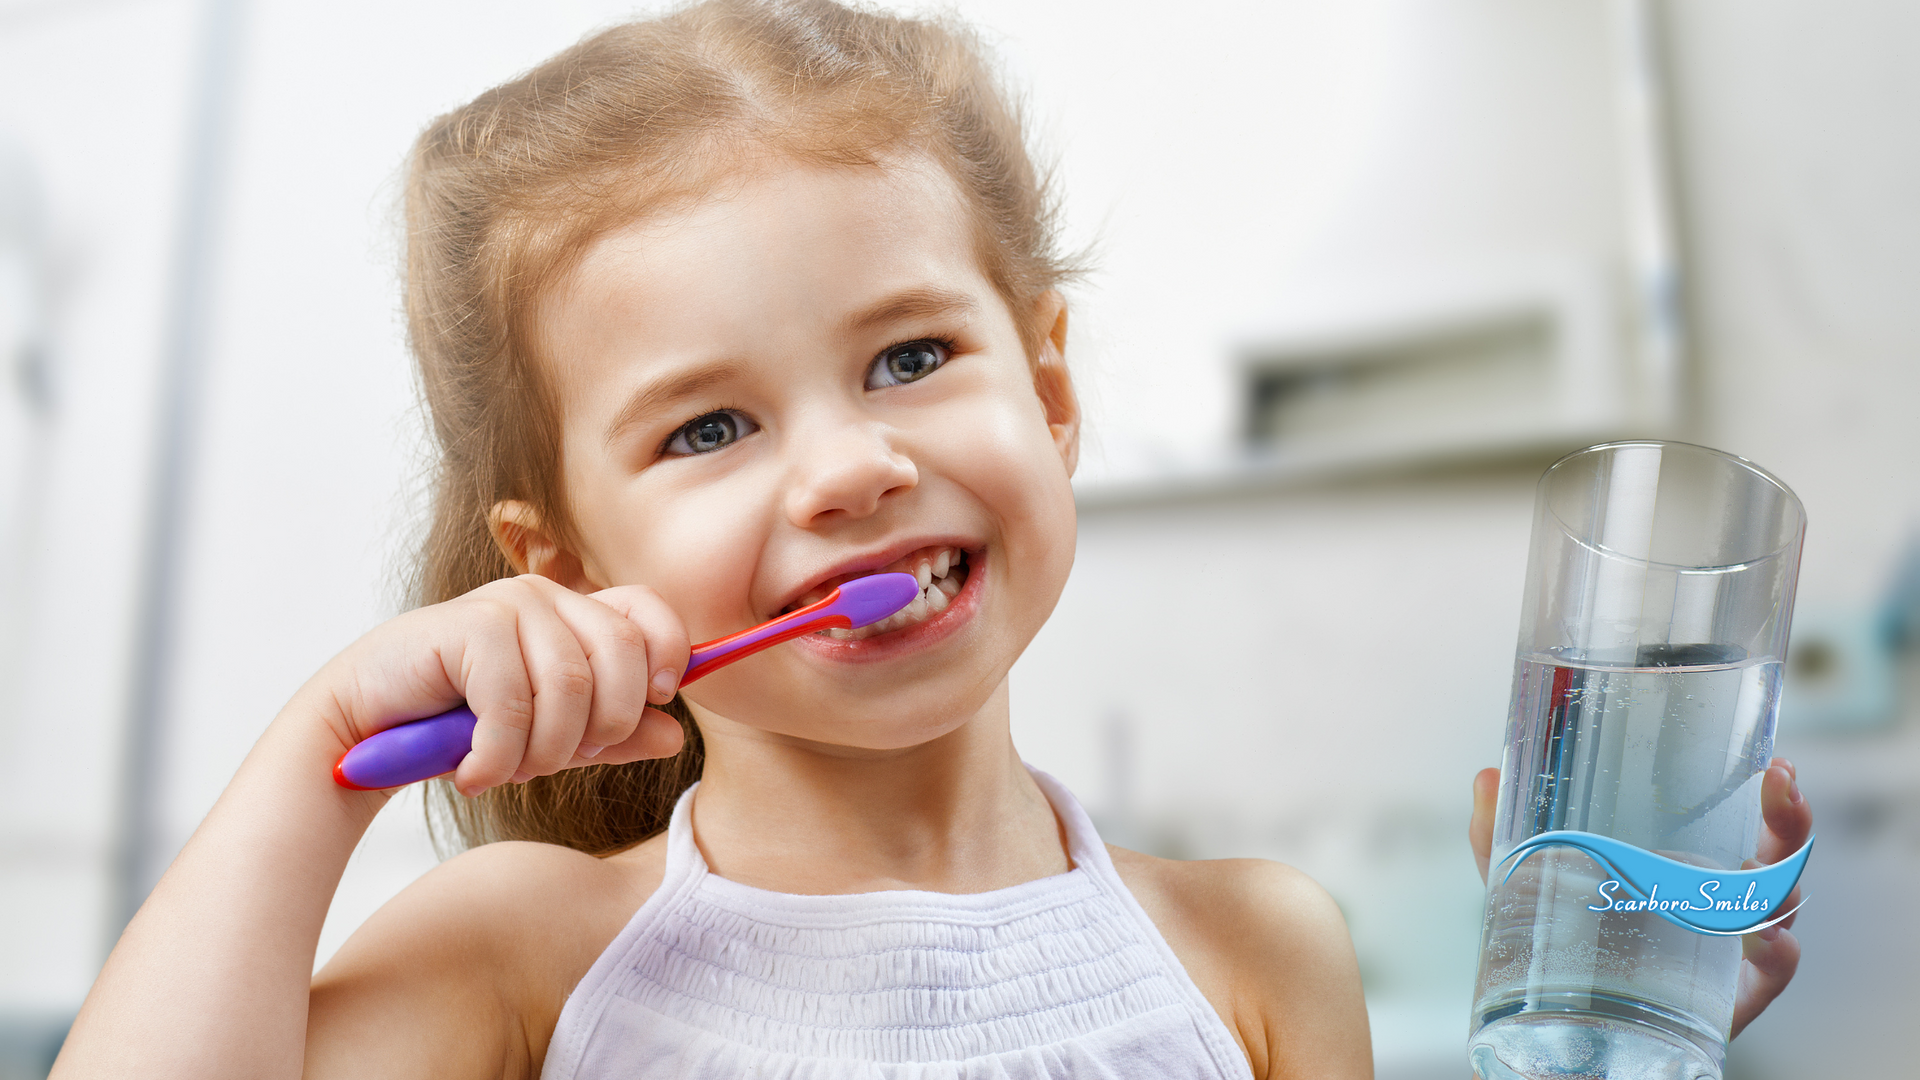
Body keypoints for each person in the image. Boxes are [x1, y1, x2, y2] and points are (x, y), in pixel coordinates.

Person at [50, 2, 1811, 1077]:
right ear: (564, 566)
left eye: (911, 358)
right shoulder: (525, 952)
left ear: (1046, 391)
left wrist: (1593, 1035)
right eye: (711, 428)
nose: (850, 468)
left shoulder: (1262, 952)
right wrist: (320, 757)